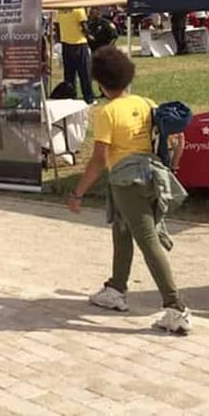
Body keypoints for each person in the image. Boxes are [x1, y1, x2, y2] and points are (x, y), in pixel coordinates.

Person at [67, 46, 191, 334]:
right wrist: (173, 167)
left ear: (99, 82)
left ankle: (175, 307)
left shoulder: (107, 112)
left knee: (148, 241)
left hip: (126, 180)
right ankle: (116, 288)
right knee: (122, 231)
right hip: (152, 175)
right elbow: (178, 139)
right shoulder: (146, 102)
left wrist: (78, 193)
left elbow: (99, 159)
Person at [58, 7, 95, 104]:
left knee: (69, 74)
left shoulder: (60, 11)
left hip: (66, 44)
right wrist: (89, 36)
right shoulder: (79, 9)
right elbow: (84, 26)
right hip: (79, 44)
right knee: (85, 72)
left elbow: (57, 27)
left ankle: (70, 96)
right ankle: (89, 97)